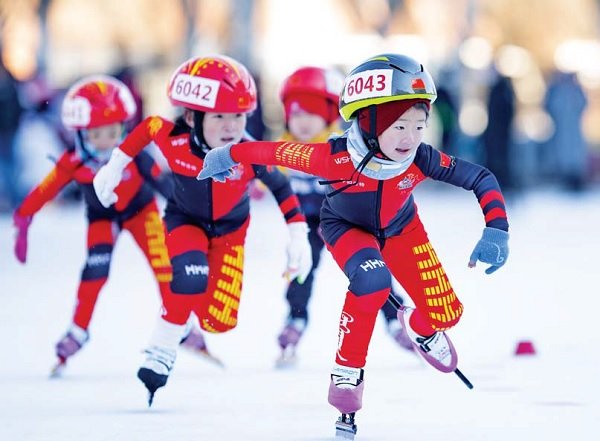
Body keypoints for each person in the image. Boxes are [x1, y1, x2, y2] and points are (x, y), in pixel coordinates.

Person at [198, 54, 509, 427]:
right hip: (346, 227)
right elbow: (271, 151)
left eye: (419, 125)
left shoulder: (421, 158)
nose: (409, 139)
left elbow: (480, 178)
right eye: (399, 127)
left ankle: (424, 332)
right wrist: (226, 154)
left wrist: (496, 228)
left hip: (403, 230)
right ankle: (347, 373)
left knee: (447, 314)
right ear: (369, 120)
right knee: (372, 283)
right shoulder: (334, 158)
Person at [92, 55, 312, 404]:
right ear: (193, 117)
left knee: (219, 322)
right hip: (186, 222)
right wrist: (114, 166)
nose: (230, 126)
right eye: (220, 116)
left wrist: (298, 234)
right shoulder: (174, 140)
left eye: (238, 116)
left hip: (230, 235)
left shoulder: (250, 152)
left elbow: (283, 190)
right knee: (189, 278)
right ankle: (161, 350)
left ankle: (186, 323)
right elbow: (147, 127)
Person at [12, 75, 209, 375]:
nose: (106, 143)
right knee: (94, 273)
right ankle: (78, 330)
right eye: (96, 134)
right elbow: (46, 190)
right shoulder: (74, 162)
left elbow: (164, 184)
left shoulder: (136, 157)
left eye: (114, 132)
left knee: (166, 266)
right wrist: (24, 217)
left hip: (142, 213)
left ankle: (181, 323)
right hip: (102, 219)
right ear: (80, 135)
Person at [275, 66, 414, 365]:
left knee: (368, 269)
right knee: (302, 265)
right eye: (295, 114)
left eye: (311, 114)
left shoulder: (339, 145)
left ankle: (395, 318)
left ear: (329, 115)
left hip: (344, 216)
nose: (302, 122)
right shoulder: (283, 147)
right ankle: (295, 319)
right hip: (309, 221)